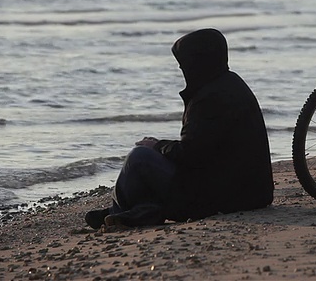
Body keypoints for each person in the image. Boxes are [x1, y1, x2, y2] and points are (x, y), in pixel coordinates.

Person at [85, 28, 274, 228]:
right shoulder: (230, 83)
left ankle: (120, 212)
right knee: (152, 158)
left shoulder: (210, 98)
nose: (182, 70)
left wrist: (157, 146)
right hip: (248, 191)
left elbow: (191, 155)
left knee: (139, 157)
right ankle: (142, 212)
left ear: (197, 63)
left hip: (225, 197)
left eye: (184, 65)